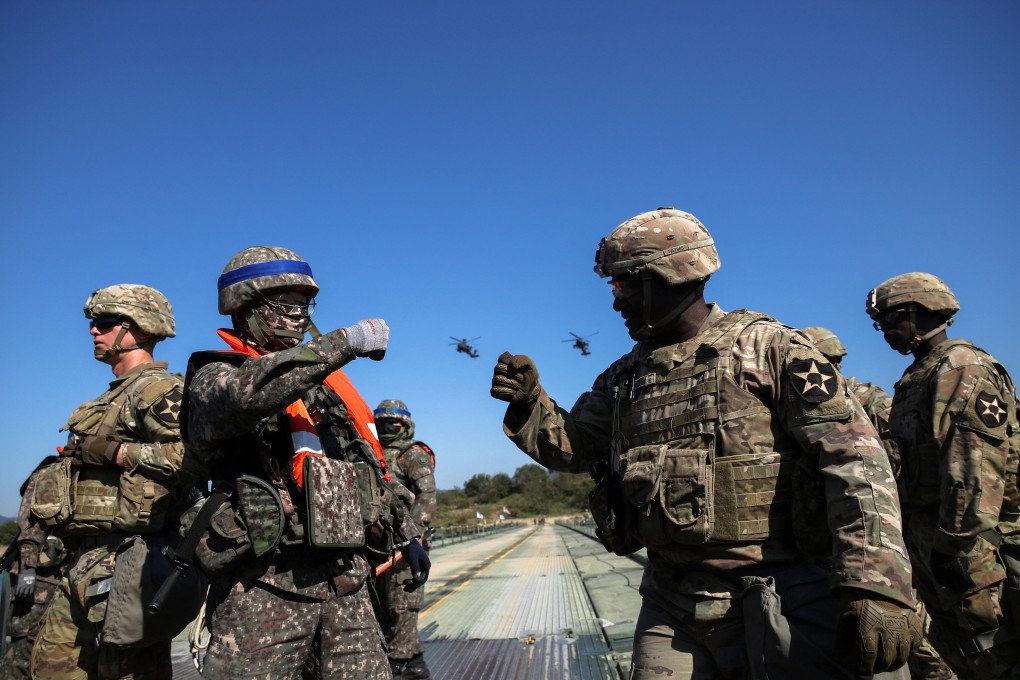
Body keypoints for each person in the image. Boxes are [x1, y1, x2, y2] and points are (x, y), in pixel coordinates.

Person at [490, 207, 921, 680]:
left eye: (626, 285)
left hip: (780, 596)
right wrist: (532, 404)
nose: (617, 302)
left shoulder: (768, 350)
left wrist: (877, 583)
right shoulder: (624, 378)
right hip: (671, 603)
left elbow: (855, 458)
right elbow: (577, 447)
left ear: (669, 275)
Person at [184, 246, 430, 679]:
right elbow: (251, 392)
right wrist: (344, 342)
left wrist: (407, 533)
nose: (299, 316)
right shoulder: (215, 378)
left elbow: (365, 467)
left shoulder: (325, 391)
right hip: (263, 589)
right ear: (245, 310)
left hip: (347, 584)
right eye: (285, 304)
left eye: (305, 305)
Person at [30, 284, 200, 679]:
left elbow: (189, 460)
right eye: (94, 324)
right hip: (83, 558)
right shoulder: (112, 397)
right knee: (51, 669)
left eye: (105, 323)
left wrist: (117, 453)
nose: (94, 332)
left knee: (126, 670)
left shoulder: (160, 391)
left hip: (128, 561)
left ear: (139, 329)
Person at [867, 272, 1020, 679]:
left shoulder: (961, 367)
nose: (885, 330)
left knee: (992, 649)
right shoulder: (920, 373)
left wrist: (954, 546)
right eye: (880, 322)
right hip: (935, 540)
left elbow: (974, 471)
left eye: (891, 318)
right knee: (960, 650)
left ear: (921, 310)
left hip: (971, 547)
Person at [802, 325, 956, 680]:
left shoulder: (868, 400)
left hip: (881, 533)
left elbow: (906, 458)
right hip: (830, 539)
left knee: (912, 637)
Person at [372, 400, 437, 680]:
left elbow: (426, 496)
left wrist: (413, 536)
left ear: (405, 425)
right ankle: (414, 666)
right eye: (381, 422)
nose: (386, 427)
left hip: (406, 548)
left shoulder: (412, 454)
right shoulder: (372, 451)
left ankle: (398, 666)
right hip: (380, 548)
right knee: (383, 610)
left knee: (402, 608)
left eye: (393, 422)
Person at [1, 463, 72, 680]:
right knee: (23, 651)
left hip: (69, 577)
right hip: (39, 578)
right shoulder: (52, 471)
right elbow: (29, 525)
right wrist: (28, 569)